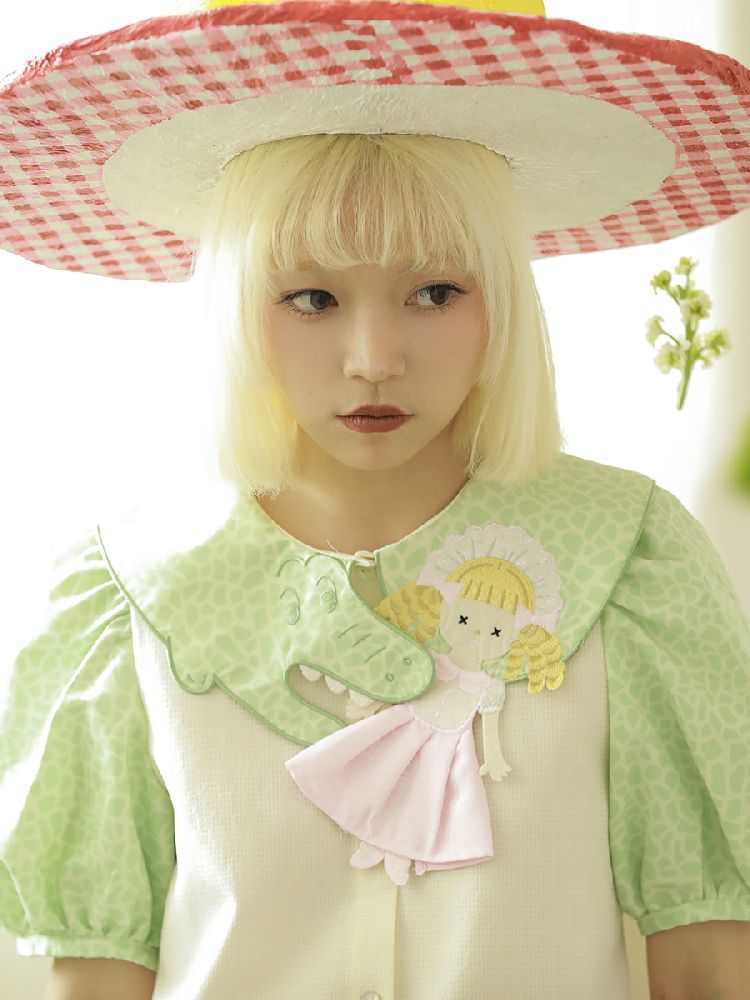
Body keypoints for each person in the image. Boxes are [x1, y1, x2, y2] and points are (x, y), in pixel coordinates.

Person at [1, 2, 749, 999]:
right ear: (234, 306)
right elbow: (98, 975)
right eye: (311, 298)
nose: (374, 359)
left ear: (504, 300)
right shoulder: (130, 589)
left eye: (436, 292)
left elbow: (708, 959)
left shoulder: (632, 560)